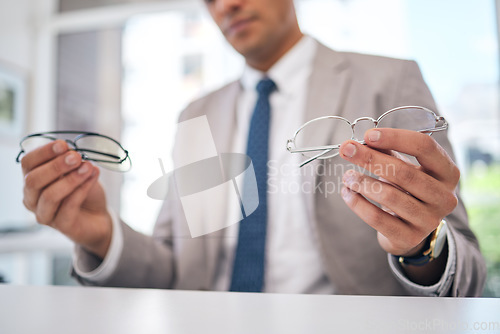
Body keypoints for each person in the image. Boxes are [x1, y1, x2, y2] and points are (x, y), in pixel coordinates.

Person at [19, 0, 485, 296]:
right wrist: (101, 234)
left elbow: (467, 268)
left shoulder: (388, 80)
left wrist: (424, 245)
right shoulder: (195, 113)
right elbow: (177, 270)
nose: (227, 5)